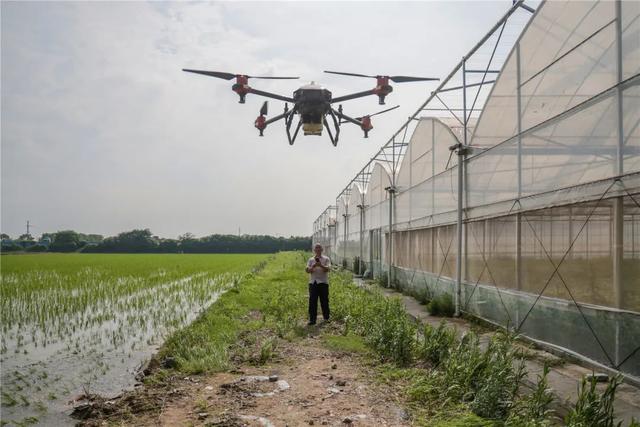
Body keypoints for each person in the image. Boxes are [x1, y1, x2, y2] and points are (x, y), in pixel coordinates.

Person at [305, 244, 331, 325]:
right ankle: (312, 320)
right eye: (316, 248)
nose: (318, 249)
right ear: (314, 250)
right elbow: (307, 270)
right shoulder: (311, 260)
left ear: (322, 249)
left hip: (323, 283)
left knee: (324, 301)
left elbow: (328, 269)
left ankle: (326, 318)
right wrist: (313, 266)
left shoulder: (326, 259)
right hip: (313, 283)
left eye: (319, 247)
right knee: (312, 301)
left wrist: (321, 265)